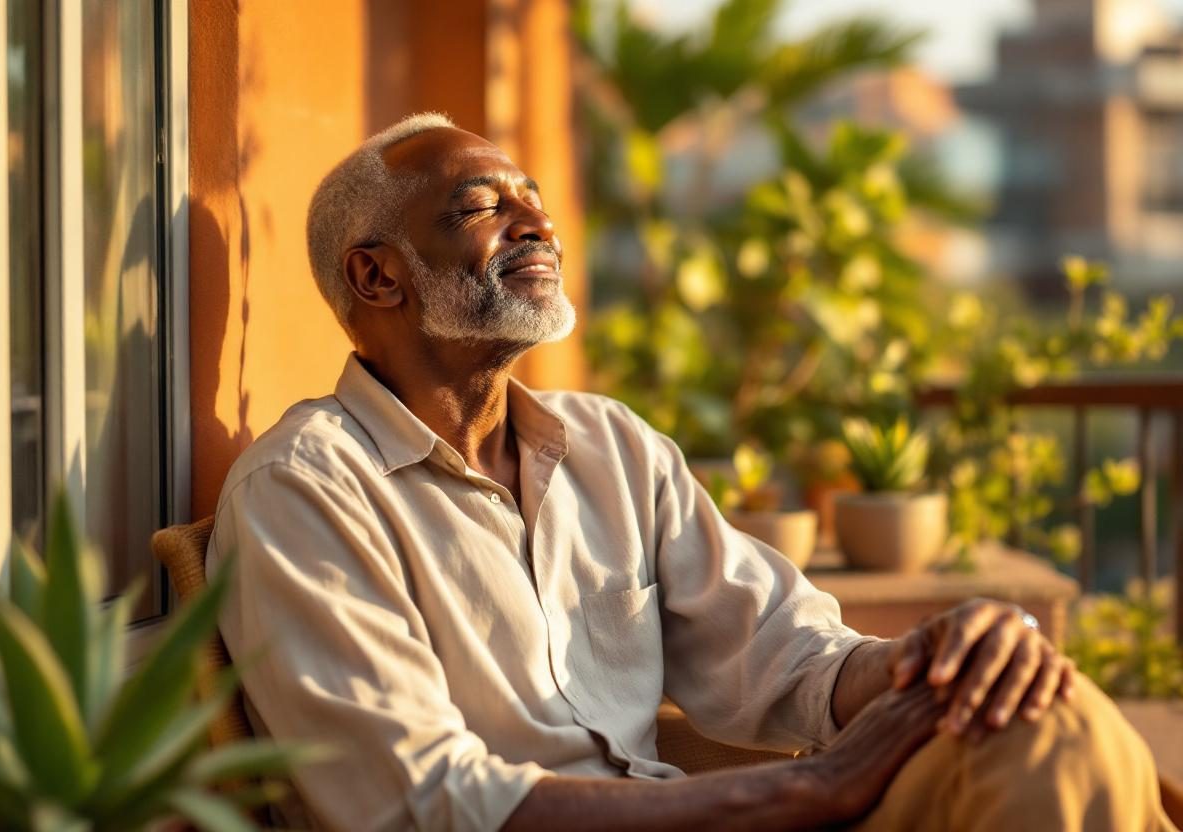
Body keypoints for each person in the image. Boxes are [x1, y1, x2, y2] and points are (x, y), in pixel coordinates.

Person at [206, 112, 1174, 831]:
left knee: (1037, 708)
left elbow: (790, 656)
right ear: (377, 275)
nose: (536, 224)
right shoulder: (302, 493)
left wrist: (937, 655)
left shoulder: (612, 449)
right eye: (481, 207)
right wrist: (802, 788)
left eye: (535, 199)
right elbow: (420, 800)